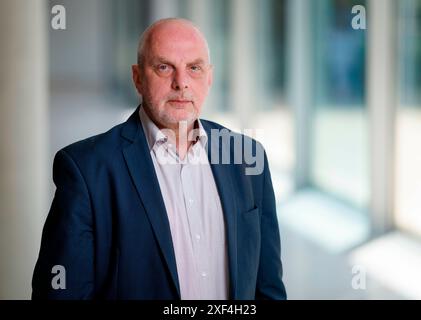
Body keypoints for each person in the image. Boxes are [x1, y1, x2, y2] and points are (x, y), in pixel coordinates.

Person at [32, 18, 286, 300]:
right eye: (164, 68)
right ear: (138, 77)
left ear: (209, 77)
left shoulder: (246, 158)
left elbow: (268, 287)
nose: (181, 83)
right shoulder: (86, 169)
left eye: (194, 68)